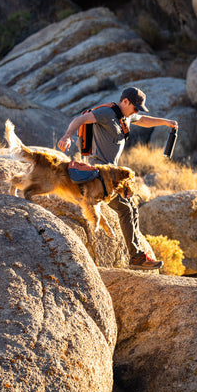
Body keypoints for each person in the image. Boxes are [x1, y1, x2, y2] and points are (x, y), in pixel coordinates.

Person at [58, 87, 178, 270]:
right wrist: (67, 136)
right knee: (124, 209)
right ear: (125, 102)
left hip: (113, 174)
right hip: (98, 174)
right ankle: (136, 257)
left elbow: (144, 120)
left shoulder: (127, 116)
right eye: (135, 107)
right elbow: (80, 119)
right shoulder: (107, 113)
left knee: (132, 208)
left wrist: (166, 123)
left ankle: (138, 252)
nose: (137, 112)